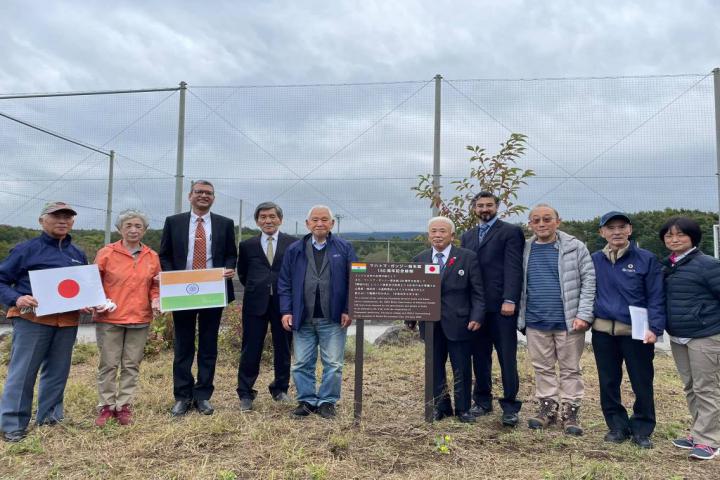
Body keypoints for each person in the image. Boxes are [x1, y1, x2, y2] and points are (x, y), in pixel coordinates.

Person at [0, 202, 88, 442]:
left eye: (68, 217)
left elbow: (80, 289)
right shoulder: (25, 250)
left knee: (58, 372)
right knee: (23, 371)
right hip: (32, 319)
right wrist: (16, 298)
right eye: (57, 216)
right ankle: (12, 423)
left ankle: (49, 417)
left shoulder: (77, 254)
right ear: (42, 221)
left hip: (67, 321)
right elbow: (1, 280)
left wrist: (87, 301)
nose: (63, 220)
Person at [159, 180, 237, 416]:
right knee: (183, 346)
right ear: (190, 196)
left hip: (212, 292)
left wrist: (229, 268)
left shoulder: (225, 223)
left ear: (213, 198)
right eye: (199, 192)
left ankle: (203, 395)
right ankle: (182, 396)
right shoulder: (174, 222)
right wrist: (174, 279)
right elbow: (165, 254)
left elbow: (231, 254)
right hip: (182, 292)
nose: (204, 196)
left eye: (208, 193)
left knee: (208, 345)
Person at [518, 204, 595, 435]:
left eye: (547, 219)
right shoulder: (524, 249)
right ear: (530, 224)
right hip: (535, 320)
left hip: (569, 322)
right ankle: (547, 408)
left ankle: (571, 412)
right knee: (542, 368)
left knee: (571, 369)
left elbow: (589, 281)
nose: (541, 224)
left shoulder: (575, 247)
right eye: (536, 220)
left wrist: (584, 314)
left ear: (557, 221)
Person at [591, 211, 665, 449]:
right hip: (603, 331)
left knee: (641, 381)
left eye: (621, 227)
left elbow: (656, 296)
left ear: (630, 230)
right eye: (610, 228)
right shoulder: (594, 260)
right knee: (608, 381)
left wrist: (654, 327)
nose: (616, 232)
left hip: (637, 331)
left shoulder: (646, 259)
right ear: (602, 232)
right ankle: (617, 425)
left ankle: (642, 428)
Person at [277, 205, 357, 419]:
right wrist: (286, 311)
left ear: (332, 223)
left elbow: (354, 281)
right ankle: (307, 400)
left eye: (324, 219)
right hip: (302, 316)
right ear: (307, 224)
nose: (319, 223)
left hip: (333, 317)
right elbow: (284, 283)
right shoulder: (295, 250)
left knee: (333, 363)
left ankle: (327, 401)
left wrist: (349, 309)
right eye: (315, 220)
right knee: (302, 362)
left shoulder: (344, 248)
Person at [410, 216, 485, 423]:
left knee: (461, 366)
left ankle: (463, 409)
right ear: (428, 236)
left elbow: (478, 292)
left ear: (452, 235)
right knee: (434, 367)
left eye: (442, 231)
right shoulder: (420, 259)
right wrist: (411, 317)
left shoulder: (467, 257)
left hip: (460, 322)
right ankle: (440, 406)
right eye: (433, 231)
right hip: (430, 324)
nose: (438, 235)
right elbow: (414, 292)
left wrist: (477, 315)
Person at [461, 191, 524, 426]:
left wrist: (510, 299)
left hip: (502, 308)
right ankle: (482, 401)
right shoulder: (467, 236)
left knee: (507, 356)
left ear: (497, 207)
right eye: (480, 206)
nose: (484, 209)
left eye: (489, 205)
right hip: (476, 309)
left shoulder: (510, 232)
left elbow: (513, 268)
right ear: (474, 209)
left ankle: (510, 405)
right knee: (480, 356)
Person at [93, 209, 161, 427]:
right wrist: (98, 301)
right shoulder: (106, 253)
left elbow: (155, 286)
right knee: (108, 364)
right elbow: (93, 283)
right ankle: (106, 406)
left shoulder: (152, 256)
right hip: (110, 318)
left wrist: (156, 300)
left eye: (138, 226)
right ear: (120, 229)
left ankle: (124, 405)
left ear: (145, 230)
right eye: (128, 226)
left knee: (131, 364)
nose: (133, 230)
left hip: (140, 318)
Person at [660, 216, 720, 461]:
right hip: (678, 336)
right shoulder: (668, 265)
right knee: (690, 387)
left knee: (707, 388)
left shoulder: (708, 264)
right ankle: (698, 433)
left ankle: (709, 440)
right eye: (669, 235)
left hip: (705, 335)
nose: (674, 239)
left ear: (693, 237)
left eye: (680, 235)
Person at [236, 202, 295, 410]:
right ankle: (245, 393)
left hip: (284, 305)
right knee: (250, 348)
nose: (268, 220)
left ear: (280, 219)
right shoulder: (247, 245)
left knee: (283, 347)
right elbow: (243, 273)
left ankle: (280, 389)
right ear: (257, 221)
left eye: (272, 216)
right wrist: (259, 287)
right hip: (255, 304)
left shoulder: (292, 243)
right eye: (263, 217)